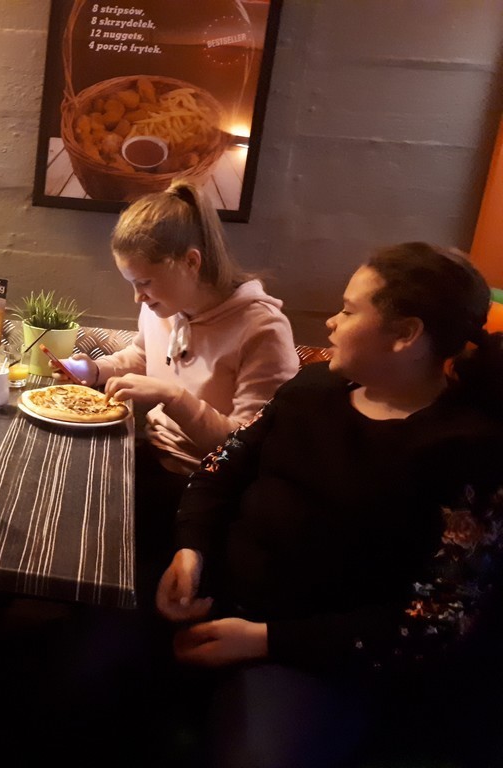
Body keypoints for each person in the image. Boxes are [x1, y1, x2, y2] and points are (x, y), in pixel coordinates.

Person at [156, 242, 503, 767]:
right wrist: (191, 551)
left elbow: (438, 619)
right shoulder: (312, 388)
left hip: (312, 655)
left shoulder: (468, 450)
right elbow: (220, 468)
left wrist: (265, 641)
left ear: (406, 335)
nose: (331, 323)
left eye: (348, 310)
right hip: (213, 601)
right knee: (80, 676)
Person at [56, 181, 299, 596]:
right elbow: (140, 356)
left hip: (205, 490)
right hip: (150, 460)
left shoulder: (262, 330)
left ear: (191, 261)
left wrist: (172, 398)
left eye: (145, 282)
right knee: (62, 488)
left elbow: (246, 452)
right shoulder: (164, 308)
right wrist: (92, 369)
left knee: (88, 541)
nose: (138, 297)